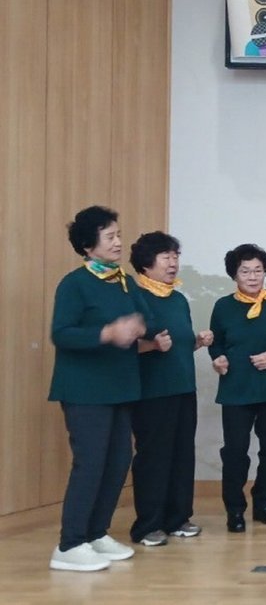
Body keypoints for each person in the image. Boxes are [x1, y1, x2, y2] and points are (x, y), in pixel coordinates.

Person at [48, 205, 149, 571]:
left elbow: (147, 318)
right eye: (110, 237)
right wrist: (107, 333)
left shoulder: (123, 280)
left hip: (120, 387)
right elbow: (61, 333)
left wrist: (141, 325)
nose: (119, 242)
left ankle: (95, 533)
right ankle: (69, 543)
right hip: (85, 390)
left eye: (118, 235)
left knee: (118, 461)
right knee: (90, 463)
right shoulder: (74, 284)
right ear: (89, 246)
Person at [209, 243, 266, 533]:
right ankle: (234, 509)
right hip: (236, 389)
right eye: (245, 271)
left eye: (258, 270)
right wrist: (217, 358)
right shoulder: (223, 306)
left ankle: (263, 502)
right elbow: (216, 343)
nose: (252, 276)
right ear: (234, 275)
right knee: (235, 451)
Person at [128, 232, 213, 547]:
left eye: (176, 256)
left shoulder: (177, 299)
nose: (173, 262)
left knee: (182, 454)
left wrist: (197, 342)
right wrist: (151, 345)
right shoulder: (135, 296)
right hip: (152, 392)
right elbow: (124, 345)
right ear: (146, 263)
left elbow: (178, 344)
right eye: (166, 256)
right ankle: (147, 525)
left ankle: (178, 518)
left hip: (183, 388)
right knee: (154, 457)